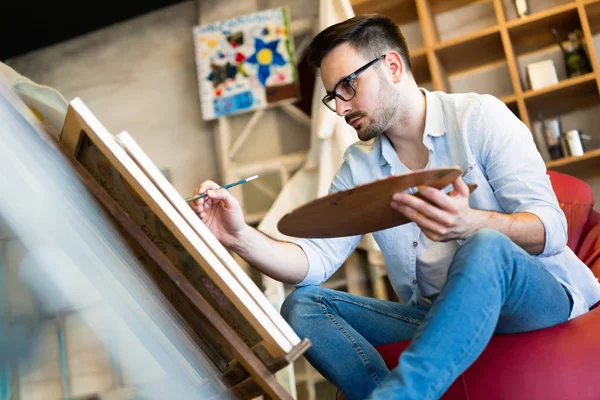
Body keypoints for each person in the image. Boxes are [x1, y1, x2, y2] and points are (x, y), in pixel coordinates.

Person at [191, 14, 600, 400]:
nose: (343, 108)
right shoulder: (360, 165)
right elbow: (314, 262)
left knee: (485, 245)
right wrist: (237, 236)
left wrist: (470, 222)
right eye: (334, 97)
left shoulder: (480, 117)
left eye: (348, 87)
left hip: (535, 297)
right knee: (303, 305)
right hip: (438, 315)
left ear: (392, 66)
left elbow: (551, 230)